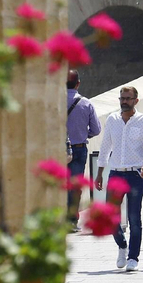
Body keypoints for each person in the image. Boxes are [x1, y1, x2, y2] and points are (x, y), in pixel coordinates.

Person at [97, 85, 143, 271]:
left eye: (128, 98)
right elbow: (105, 147)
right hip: (116, 172)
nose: (124, 101)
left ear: (135, 100)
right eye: (122, 98)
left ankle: (133, 257)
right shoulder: (113, 120)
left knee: (134, 218)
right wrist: (100, 172)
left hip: (135, 174)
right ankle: (122, 246)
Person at [65, 70, 102, 230]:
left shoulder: (54, 101)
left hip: (58, 148)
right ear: (78, 83)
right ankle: (71, 220)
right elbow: (96, 129)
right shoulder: (85, 103)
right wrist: (81, 134)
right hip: (78, 148)